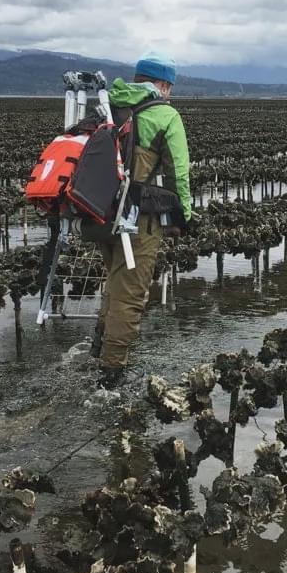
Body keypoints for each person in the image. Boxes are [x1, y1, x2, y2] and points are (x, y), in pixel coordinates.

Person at [91, 51, 192, 388]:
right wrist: (184, 216)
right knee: (131, 295)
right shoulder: (165, 115)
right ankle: (110, 375)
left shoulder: (109, 106)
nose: (171, 92)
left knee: (115, 283)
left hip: (101, 213)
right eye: (170, 86)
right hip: (137, 219)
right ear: (162, 84)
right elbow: (178, 173)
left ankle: (97, 350)